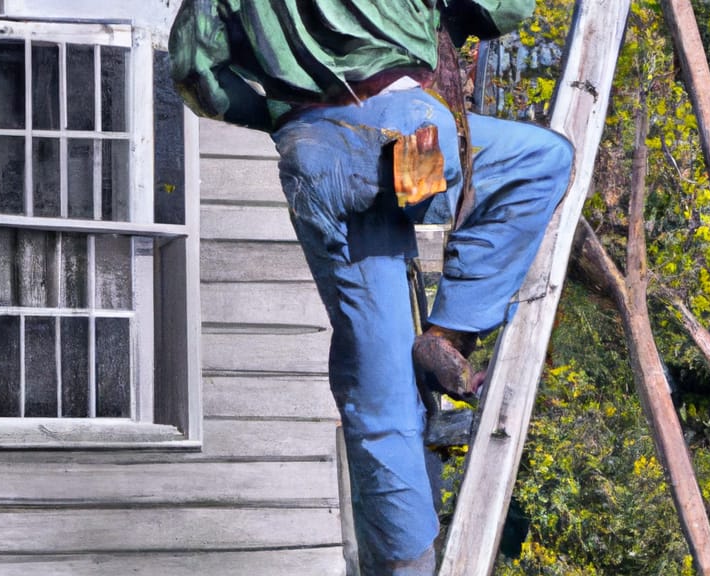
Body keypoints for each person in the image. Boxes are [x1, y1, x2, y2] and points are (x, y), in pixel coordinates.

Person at [169, 2, 573, 573]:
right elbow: (503, 9)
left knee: (380, 398)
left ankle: (402, 566)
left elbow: (190, 68)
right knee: (539, 160)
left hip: (316, 156)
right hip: (412, 137)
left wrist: (282, 114)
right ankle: (450, 329)